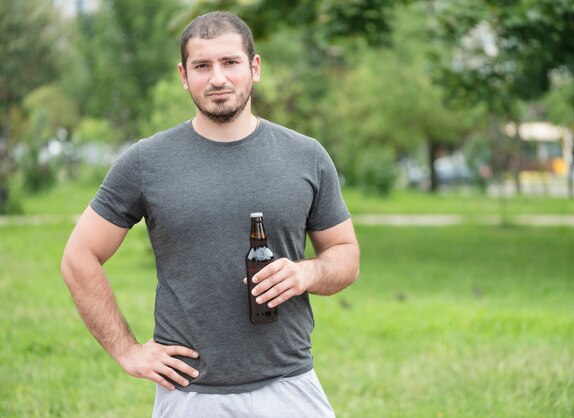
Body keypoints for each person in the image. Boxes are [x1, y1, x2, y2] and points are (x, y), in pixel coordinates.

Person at [60, 10, 360, 418]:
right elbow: (79, 256)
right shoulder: (147, 162)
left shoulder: (306, 156)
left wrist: (306, 272)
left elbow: (346, 255)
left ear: (254, 68)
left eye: (230, 62)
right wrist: (128, 351)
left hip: (289, 386)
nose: (217, 78)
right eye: (202, 66)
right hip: (190, 394)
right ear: (184, 76)